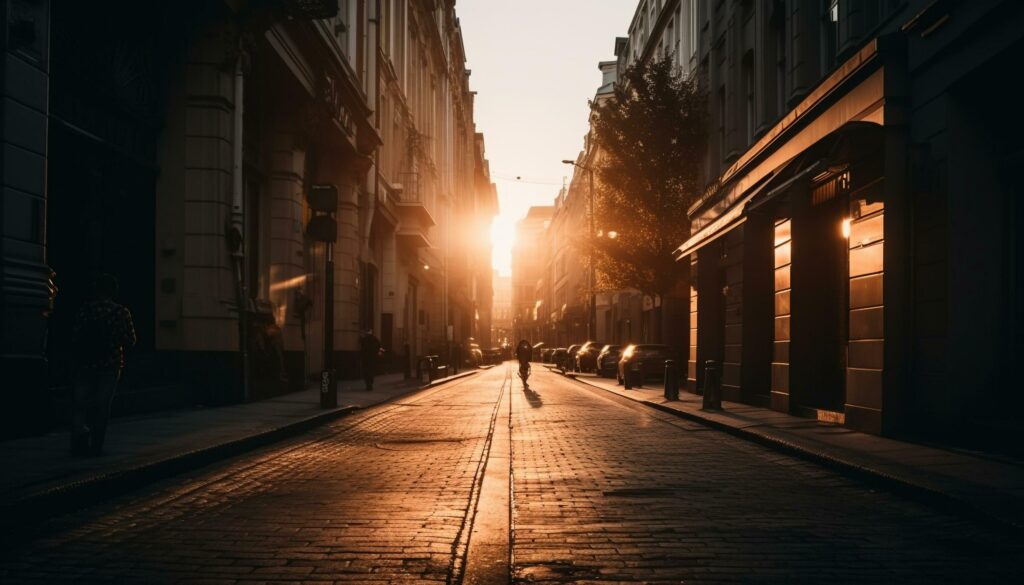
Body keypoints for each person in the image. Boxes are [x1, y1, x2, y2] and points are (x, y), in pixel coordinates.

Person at [70, 273, 136, 456]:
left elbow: (75, 337)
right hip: (110, 364)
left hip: (85, 364)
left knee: (80, 404)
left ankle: (77, 441)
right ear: (114, 291)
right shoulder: (122, 312)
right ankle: (96, 445)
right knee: (102, 405)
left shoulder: (86, 309)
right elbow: (131, 341)